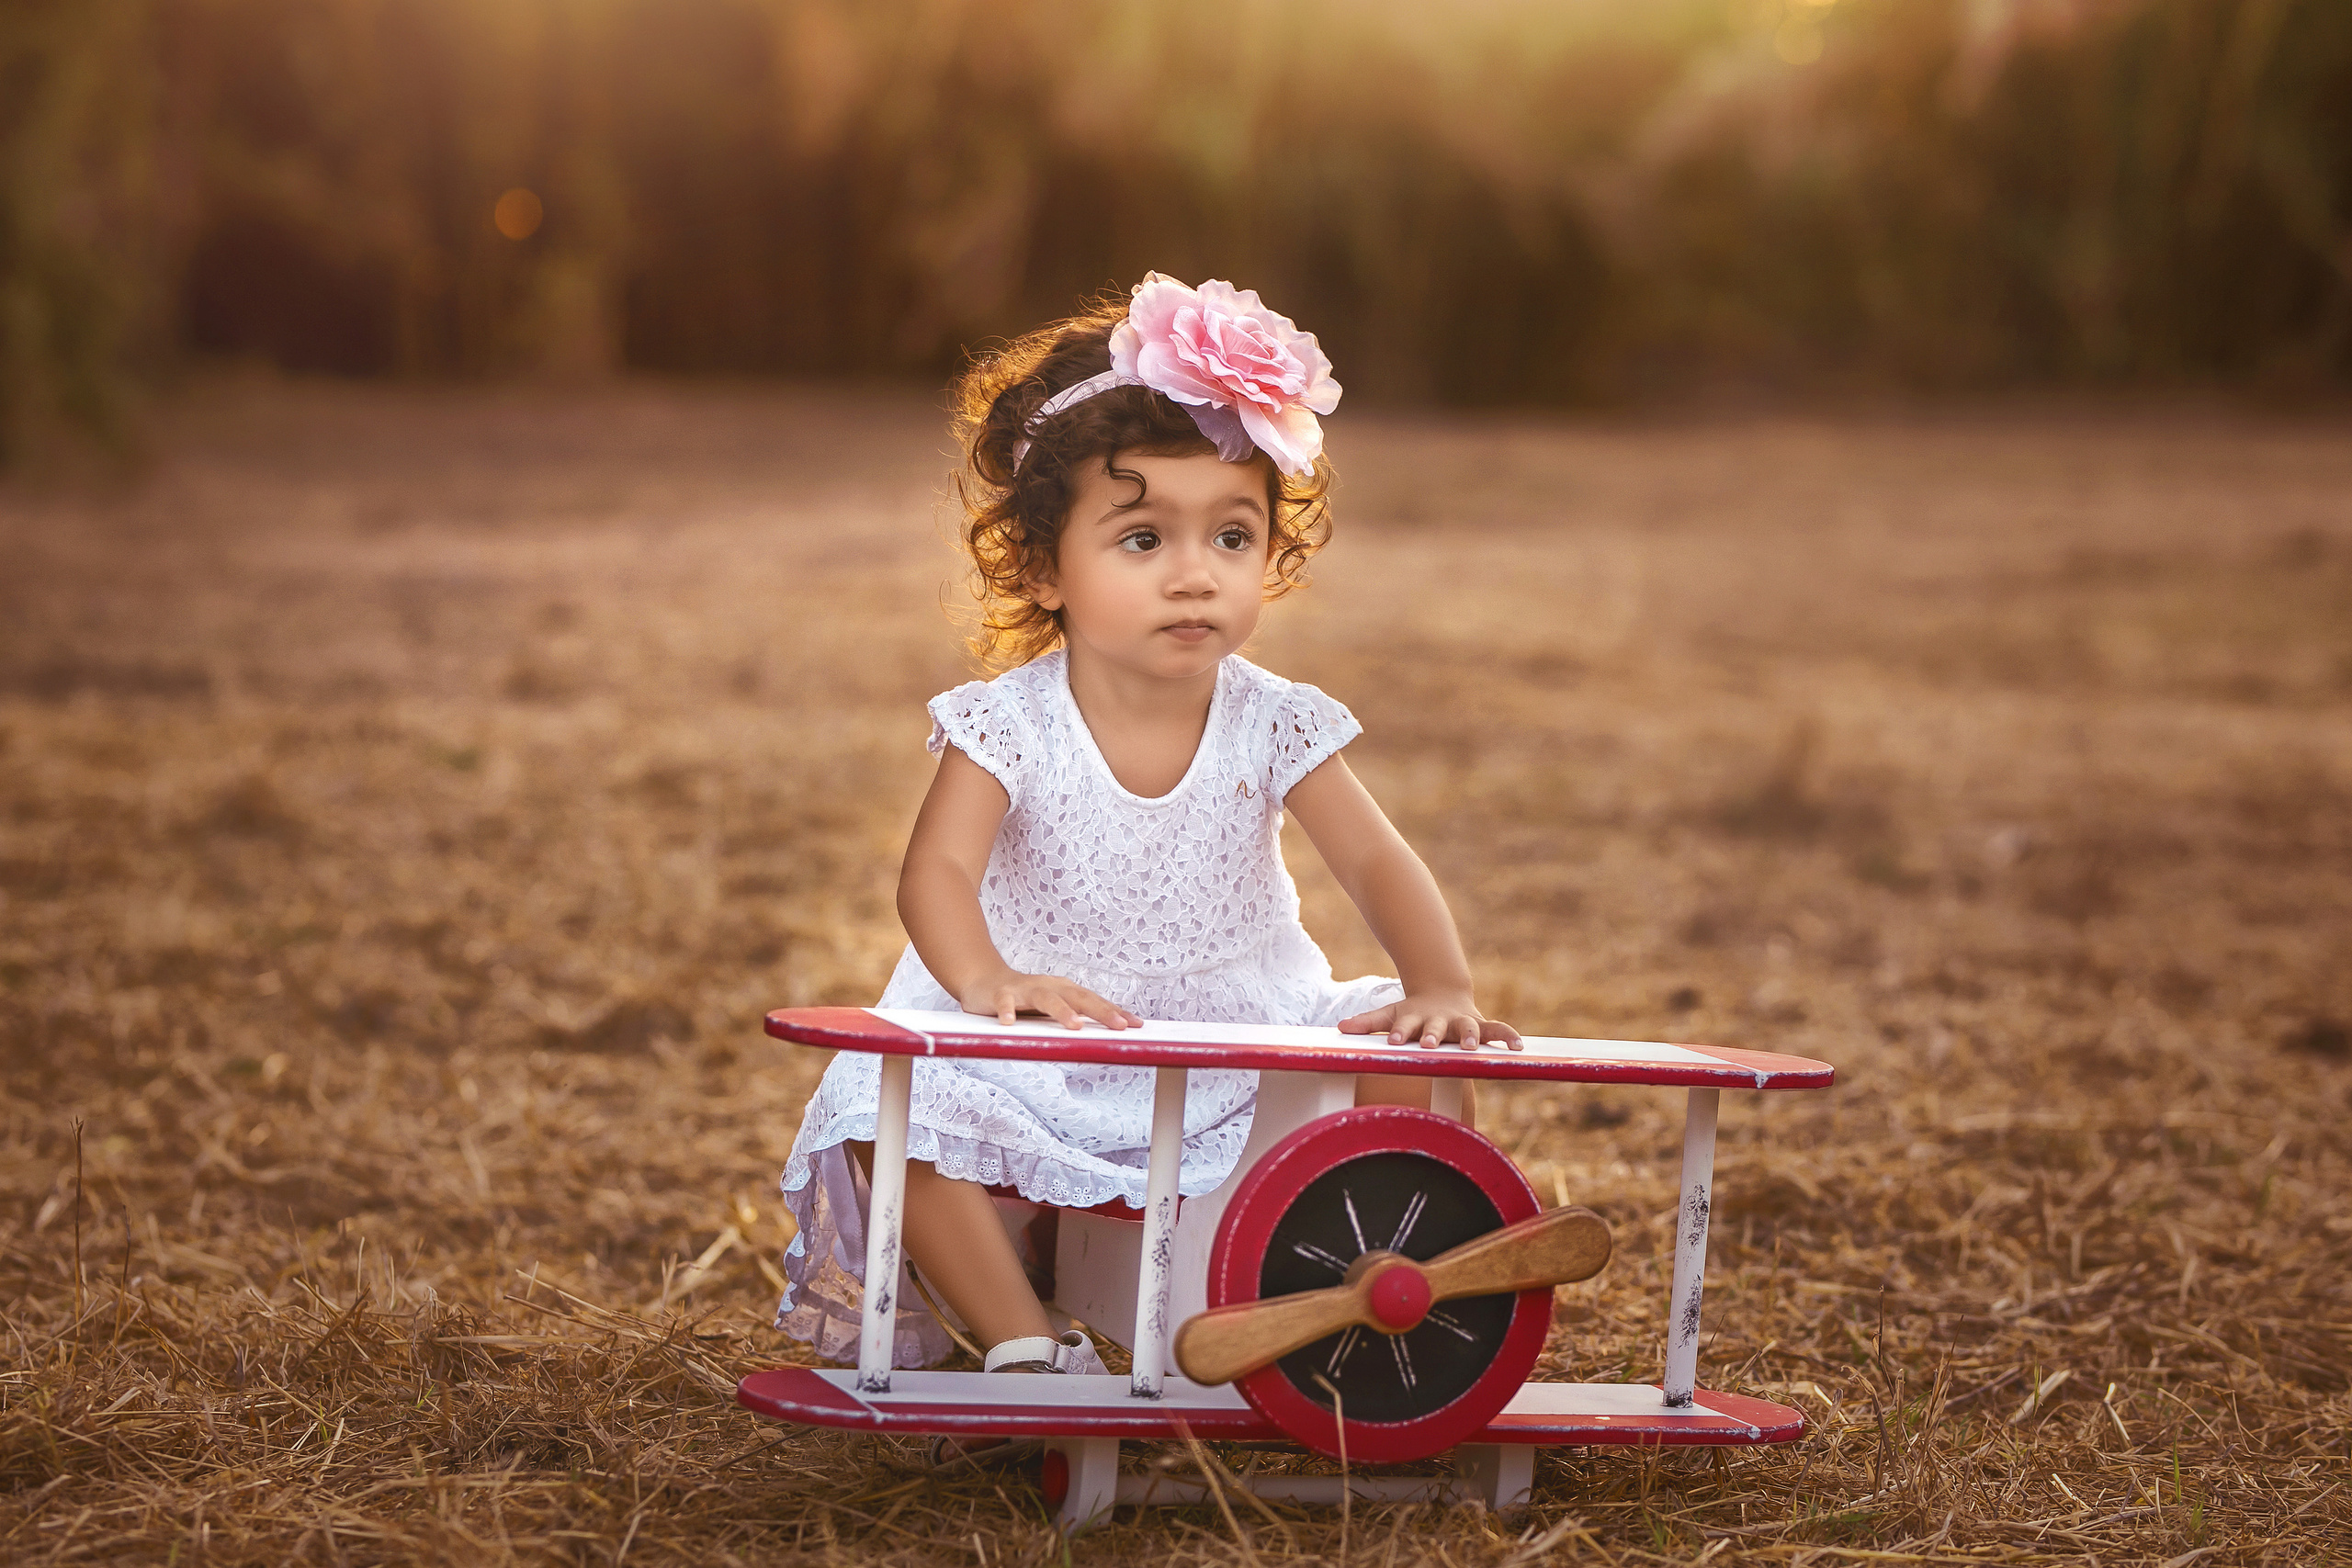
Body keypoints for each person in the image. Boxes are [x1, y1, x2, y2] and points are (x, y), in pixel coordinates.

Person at [775, 273, 1520, 1380]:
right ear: (1044, 567)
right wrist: (986, 979)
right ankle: (1026, 1343)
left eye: (1232, 536)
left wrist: (1440, 983)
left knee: (1409, 1060)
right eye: (1142, 540)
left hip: (1238, 1027)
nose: (1194, 576)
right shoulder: (1010, 722)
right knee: (880, 1108)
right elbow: (936, 871)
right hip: (1050, 1037)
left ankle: (1354, 1323)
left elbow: (1374, 859)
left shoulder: (1272, 719)